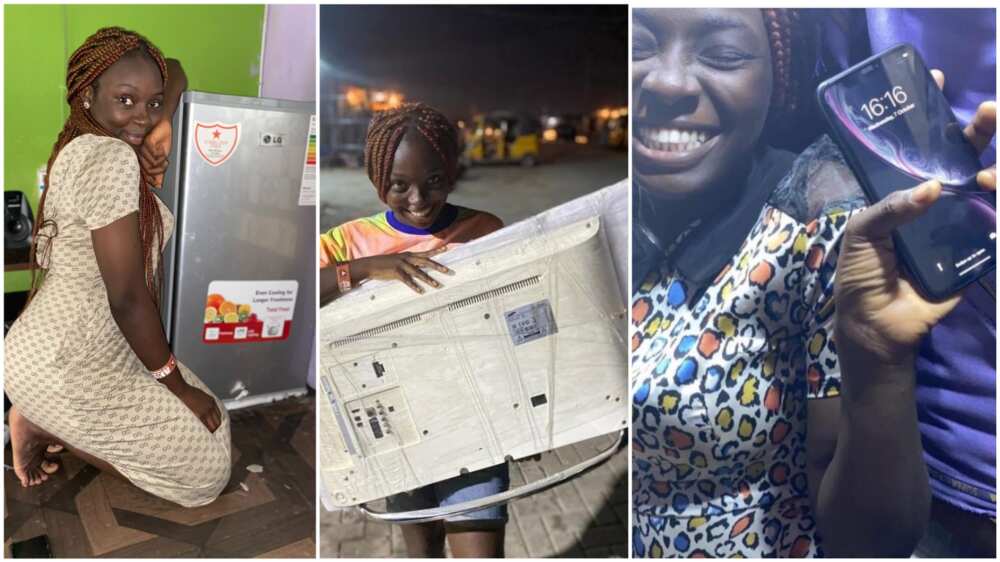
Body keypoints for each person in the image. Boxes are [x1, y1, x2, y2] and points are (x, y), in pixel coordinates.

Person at [630, 8, 997, 557]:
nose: (665, 80)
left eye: (725, 55)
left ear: (778, 76)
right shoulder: (622, 217)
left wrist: (877, 359)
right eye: (636, 48)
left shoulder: (818, 224)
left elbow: (869, 539)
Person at [4, 27, 231, 508]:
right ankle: (37, 419)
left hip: (93, 347)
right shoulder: (108, 157)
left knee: (220, 424)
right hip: (67, 360)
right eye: (125, 100)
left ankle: (45, 413)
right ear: (88, 95)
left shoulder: (88, 142)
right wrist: (174, 384)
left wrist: (163, 120)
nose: (140, 116)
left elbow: (174, 66)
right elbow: (127, 296)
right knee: (203, 480)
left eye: (150, 103)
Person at [319, 103, 507, 557]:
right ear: (377, 179)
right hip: (392, 430)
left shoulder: (483, 231)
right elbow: (301, 291)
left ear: (452, 174)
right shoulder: (348, 243)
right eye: (399, 186)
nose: (419, 200)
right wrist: (366, 268)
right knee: (420, 552)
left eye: (434, 182)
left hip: (474, 426)